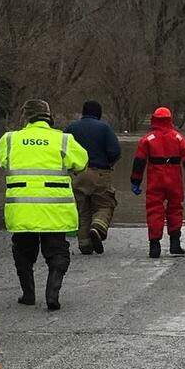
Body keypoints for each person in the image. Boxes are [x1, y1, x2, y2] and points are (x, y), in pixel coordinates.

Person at [0, 100, 88, 310]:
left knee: (23, 252)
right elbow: (81, 163)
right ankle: (52, 294)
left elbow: (3, 162)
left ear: (25, 117)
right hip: (55, 210)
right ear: (49, 117)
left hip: (22, 209)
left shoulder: (10, 139)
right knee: (57, 252)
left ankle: (28, 295)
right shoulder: (64, 140)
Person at [130, 106, 185, 258]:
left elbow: (139, 162)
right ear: (169, 120)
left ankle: (154, 246)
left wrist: (135, 181)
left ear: (154, 119)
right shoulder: (178, 138)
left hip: (155, 180)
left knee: (154, 211)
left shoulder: (148, 139)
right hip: (174, 180)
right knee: (176, 209)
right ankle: (175, 244)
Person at [64, 99, 122, 255]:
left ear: (83, 112)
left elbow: (63, 151)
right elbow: (115, 151)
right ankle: (97, 227)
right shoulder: (104, 128)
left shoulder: (71, 128)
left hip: (76, 174)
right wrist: (109, 163)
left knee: (82, 209)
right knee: (105, 204)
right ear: (99, 113)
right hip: (100, 172)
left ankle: (84, 244)